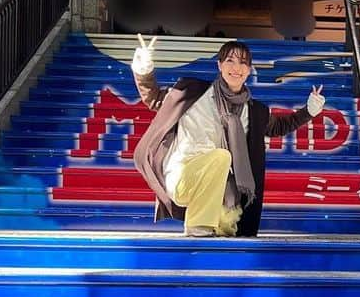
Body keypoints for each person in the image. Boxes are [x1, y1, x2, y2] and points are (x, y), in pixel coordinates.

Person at [130, 37, 324, 237]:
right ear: (219, 65)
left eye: (242, 62)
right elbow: (153, 98)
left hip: (220, 192)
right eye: (230, 60)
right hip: (182, 177)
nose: (236, 67)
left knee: (229, 232)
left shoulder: (254, 111)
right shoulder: (193, 93)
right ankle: (198, 229)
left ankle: (214, 231)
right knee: (221, 157)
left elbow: (281, 126)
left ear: (249, 70)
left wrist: (309, 111)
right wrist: (143, 70)